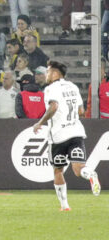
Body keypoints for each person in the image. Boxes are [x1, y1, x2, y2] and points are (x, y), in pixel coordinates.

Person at [32, 60, 100, 211]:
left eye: (48, 71)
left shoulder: (50, 89)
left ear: (56, 73)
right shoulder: (73, 87)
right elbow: (81, 111)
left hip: (58, 136)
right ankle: (90, 174)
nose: (46, 75)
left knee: (58, 170)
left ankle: (65, 206)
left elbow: (54, 106)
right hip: (76, 132)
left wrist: (40, 122)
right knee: (78, 169)